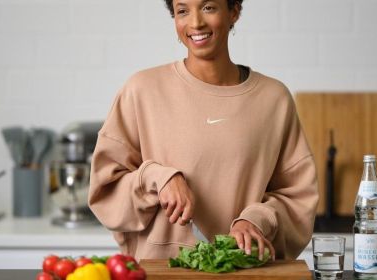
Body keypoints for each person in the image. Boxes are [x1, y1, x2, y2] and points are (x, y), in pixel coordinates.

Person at [88, 0, 319, 262]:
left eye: (208, 7)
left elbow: (298, 197)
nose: (195, 23)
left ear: (234, 11)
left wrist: (255, 221)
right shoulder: (141, 90)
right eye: (182, 11)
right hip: (159, 270)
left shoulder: (273, 99)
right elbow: (106, 189)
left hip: (245, 271)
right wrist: (157, 178)